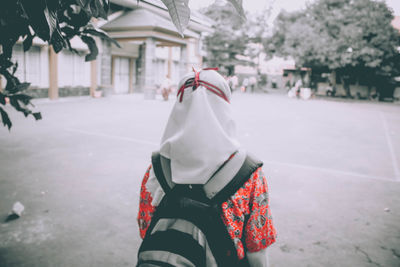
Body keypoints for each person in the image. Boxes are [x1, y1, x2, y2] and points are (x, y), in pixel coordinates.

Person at [137, 68, 276, 266]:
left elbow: (146, 230)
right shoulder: (248, 174)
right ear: (225, 106)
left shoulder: (156, 169)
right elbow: (257, 251)